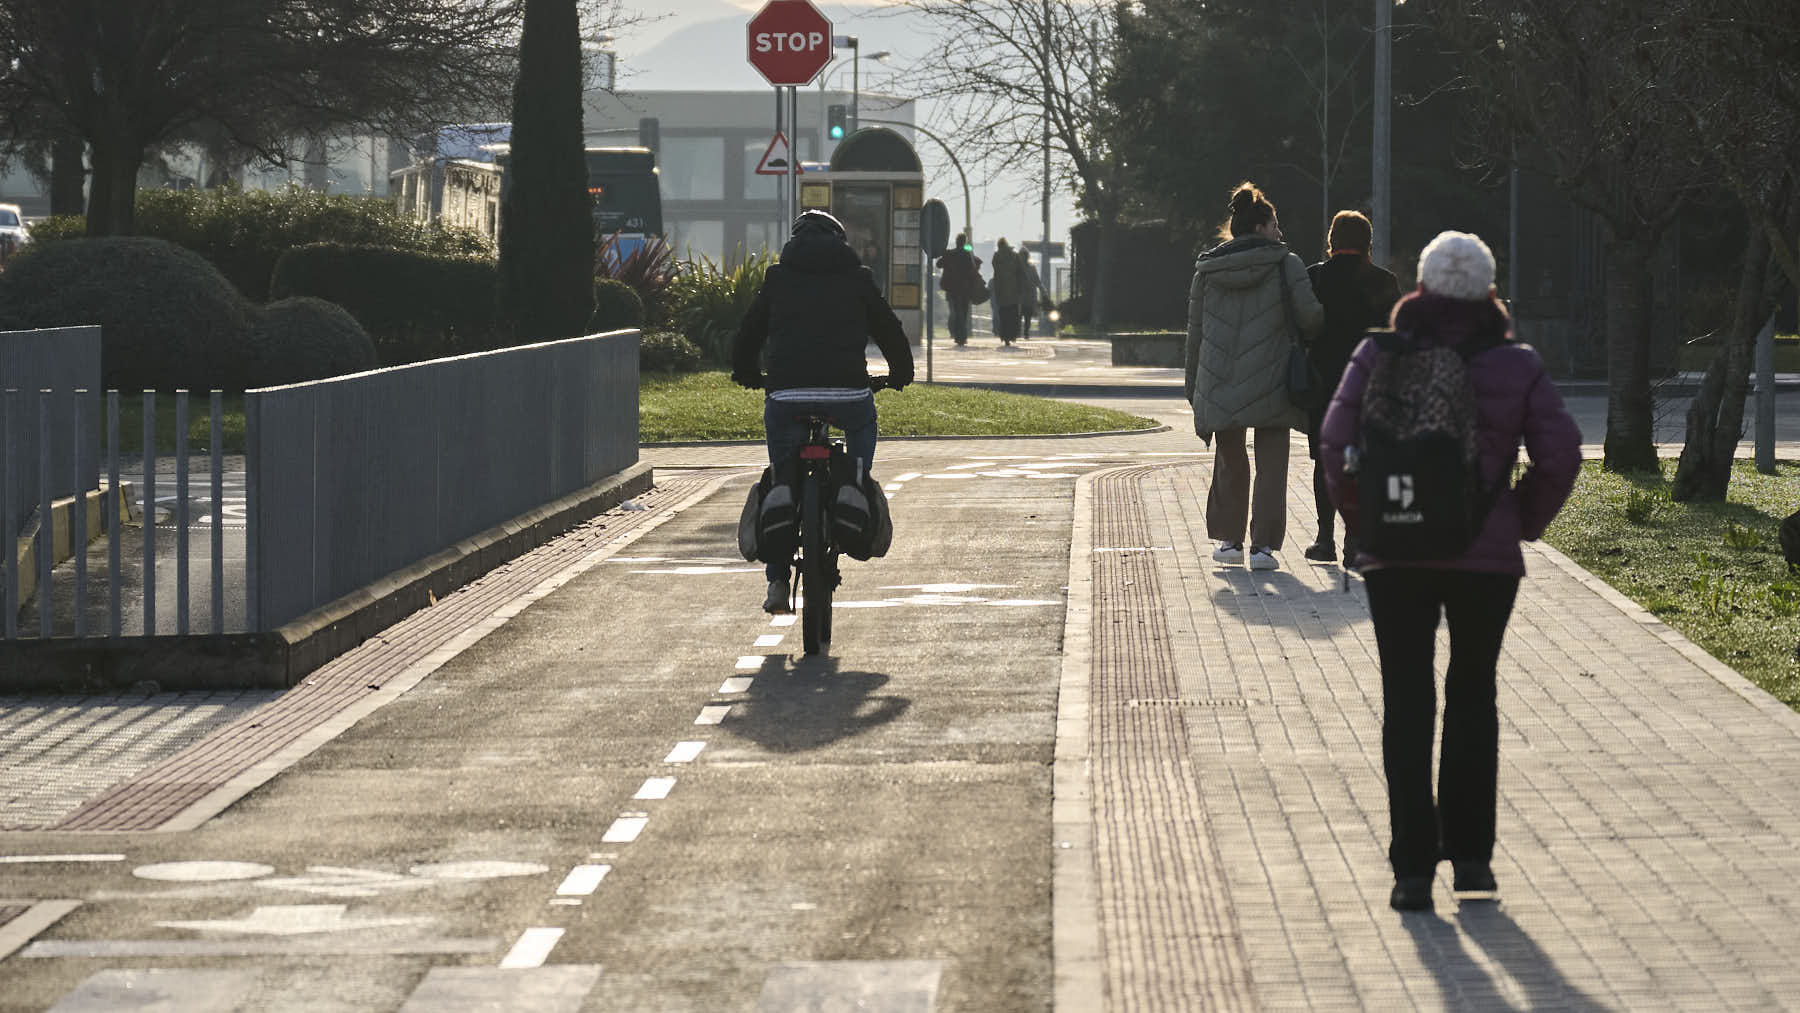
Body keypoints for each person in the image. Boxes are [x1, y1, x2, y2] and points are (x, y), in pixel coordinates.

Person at [1319, 230, 1581, 912]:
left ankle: (1411, 870)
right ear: (1490, 291)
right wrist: (1517, 518)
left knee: (1406, 702)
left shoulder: (1379, 352)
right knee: (1473, 693)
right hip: (1484, 557)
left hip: (1396, 551)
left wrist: (1365, 516)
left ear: (1423, 289)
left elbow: (1335, 443)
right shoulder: (1516, 363)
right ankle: (1470, 859)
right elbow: (1561, 453)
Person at [732, 209, 915, 613]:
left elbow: (749, 333)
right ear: (840, 243)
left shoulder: (777, 279)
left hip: (786, 396)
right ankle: (855, 484)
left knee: (782, 474)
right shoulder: (858, 279)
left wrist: (746, 373)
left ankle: (777, 581)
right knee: (862, 429)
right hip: (848, 396)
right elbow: (889, 330)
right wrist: (901, 373)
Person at [1184, 182, 1323, 571]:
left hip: (1220, 377)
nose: (1280, 232)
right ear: (1260, 227)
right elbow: (1310, 318)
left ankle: (1230, 542)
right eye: (1275, 224)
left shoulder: (1207, 271)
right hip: (1273, 378)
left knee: (1230, 458)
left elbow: (1194, 333)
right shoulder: (1287, 264)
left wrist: (1193, 383)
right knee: (1272, 463)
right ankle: (1263, 547)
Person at [1303, 211, 1402, 564]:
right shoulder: (1384, 281)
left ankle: (1324, 538)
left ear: (1332, 241)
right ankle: (1355, 541)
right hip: (1368, 384)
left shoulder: (1315, 277)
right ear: (1367, 244)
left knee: (1325, 461)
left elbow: (1303, 327)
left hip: (1323, 382)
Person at [936, 234, 982, 345]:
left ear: (956, 242)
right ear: (964, 242)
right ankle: (962, 336)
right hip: (965, 289)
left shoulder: (950, 254)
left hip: (952, 289)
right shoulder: (967, 254)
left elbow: (938, 264)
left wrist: (944, 254)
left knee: (955, 312)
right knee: (963, 313)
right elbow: (974, 268)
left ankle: (957, 335)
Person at [990, 237, 1023, 345]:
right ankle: (1012, 334)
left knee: (1003, 315)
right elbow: (1020, 272)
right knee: (1013, 314)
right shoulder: (1015, 255)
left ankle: (1005, 336)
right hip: (1014, 290)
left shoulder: (996, 256)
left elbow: (996, 271)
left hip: (1001, 289)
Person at [1016, 250, 1042, 339]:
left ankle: (1026, 332)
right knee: (1018, 315)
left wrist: (1042, 290)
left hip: (1029, 296)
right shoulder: (1017, 268)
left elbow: (1037, 280)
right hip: (1020, 295)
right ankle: (1018, 332)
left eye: (1023, 256)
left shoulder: (1031, 268)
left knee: (1028, 316)